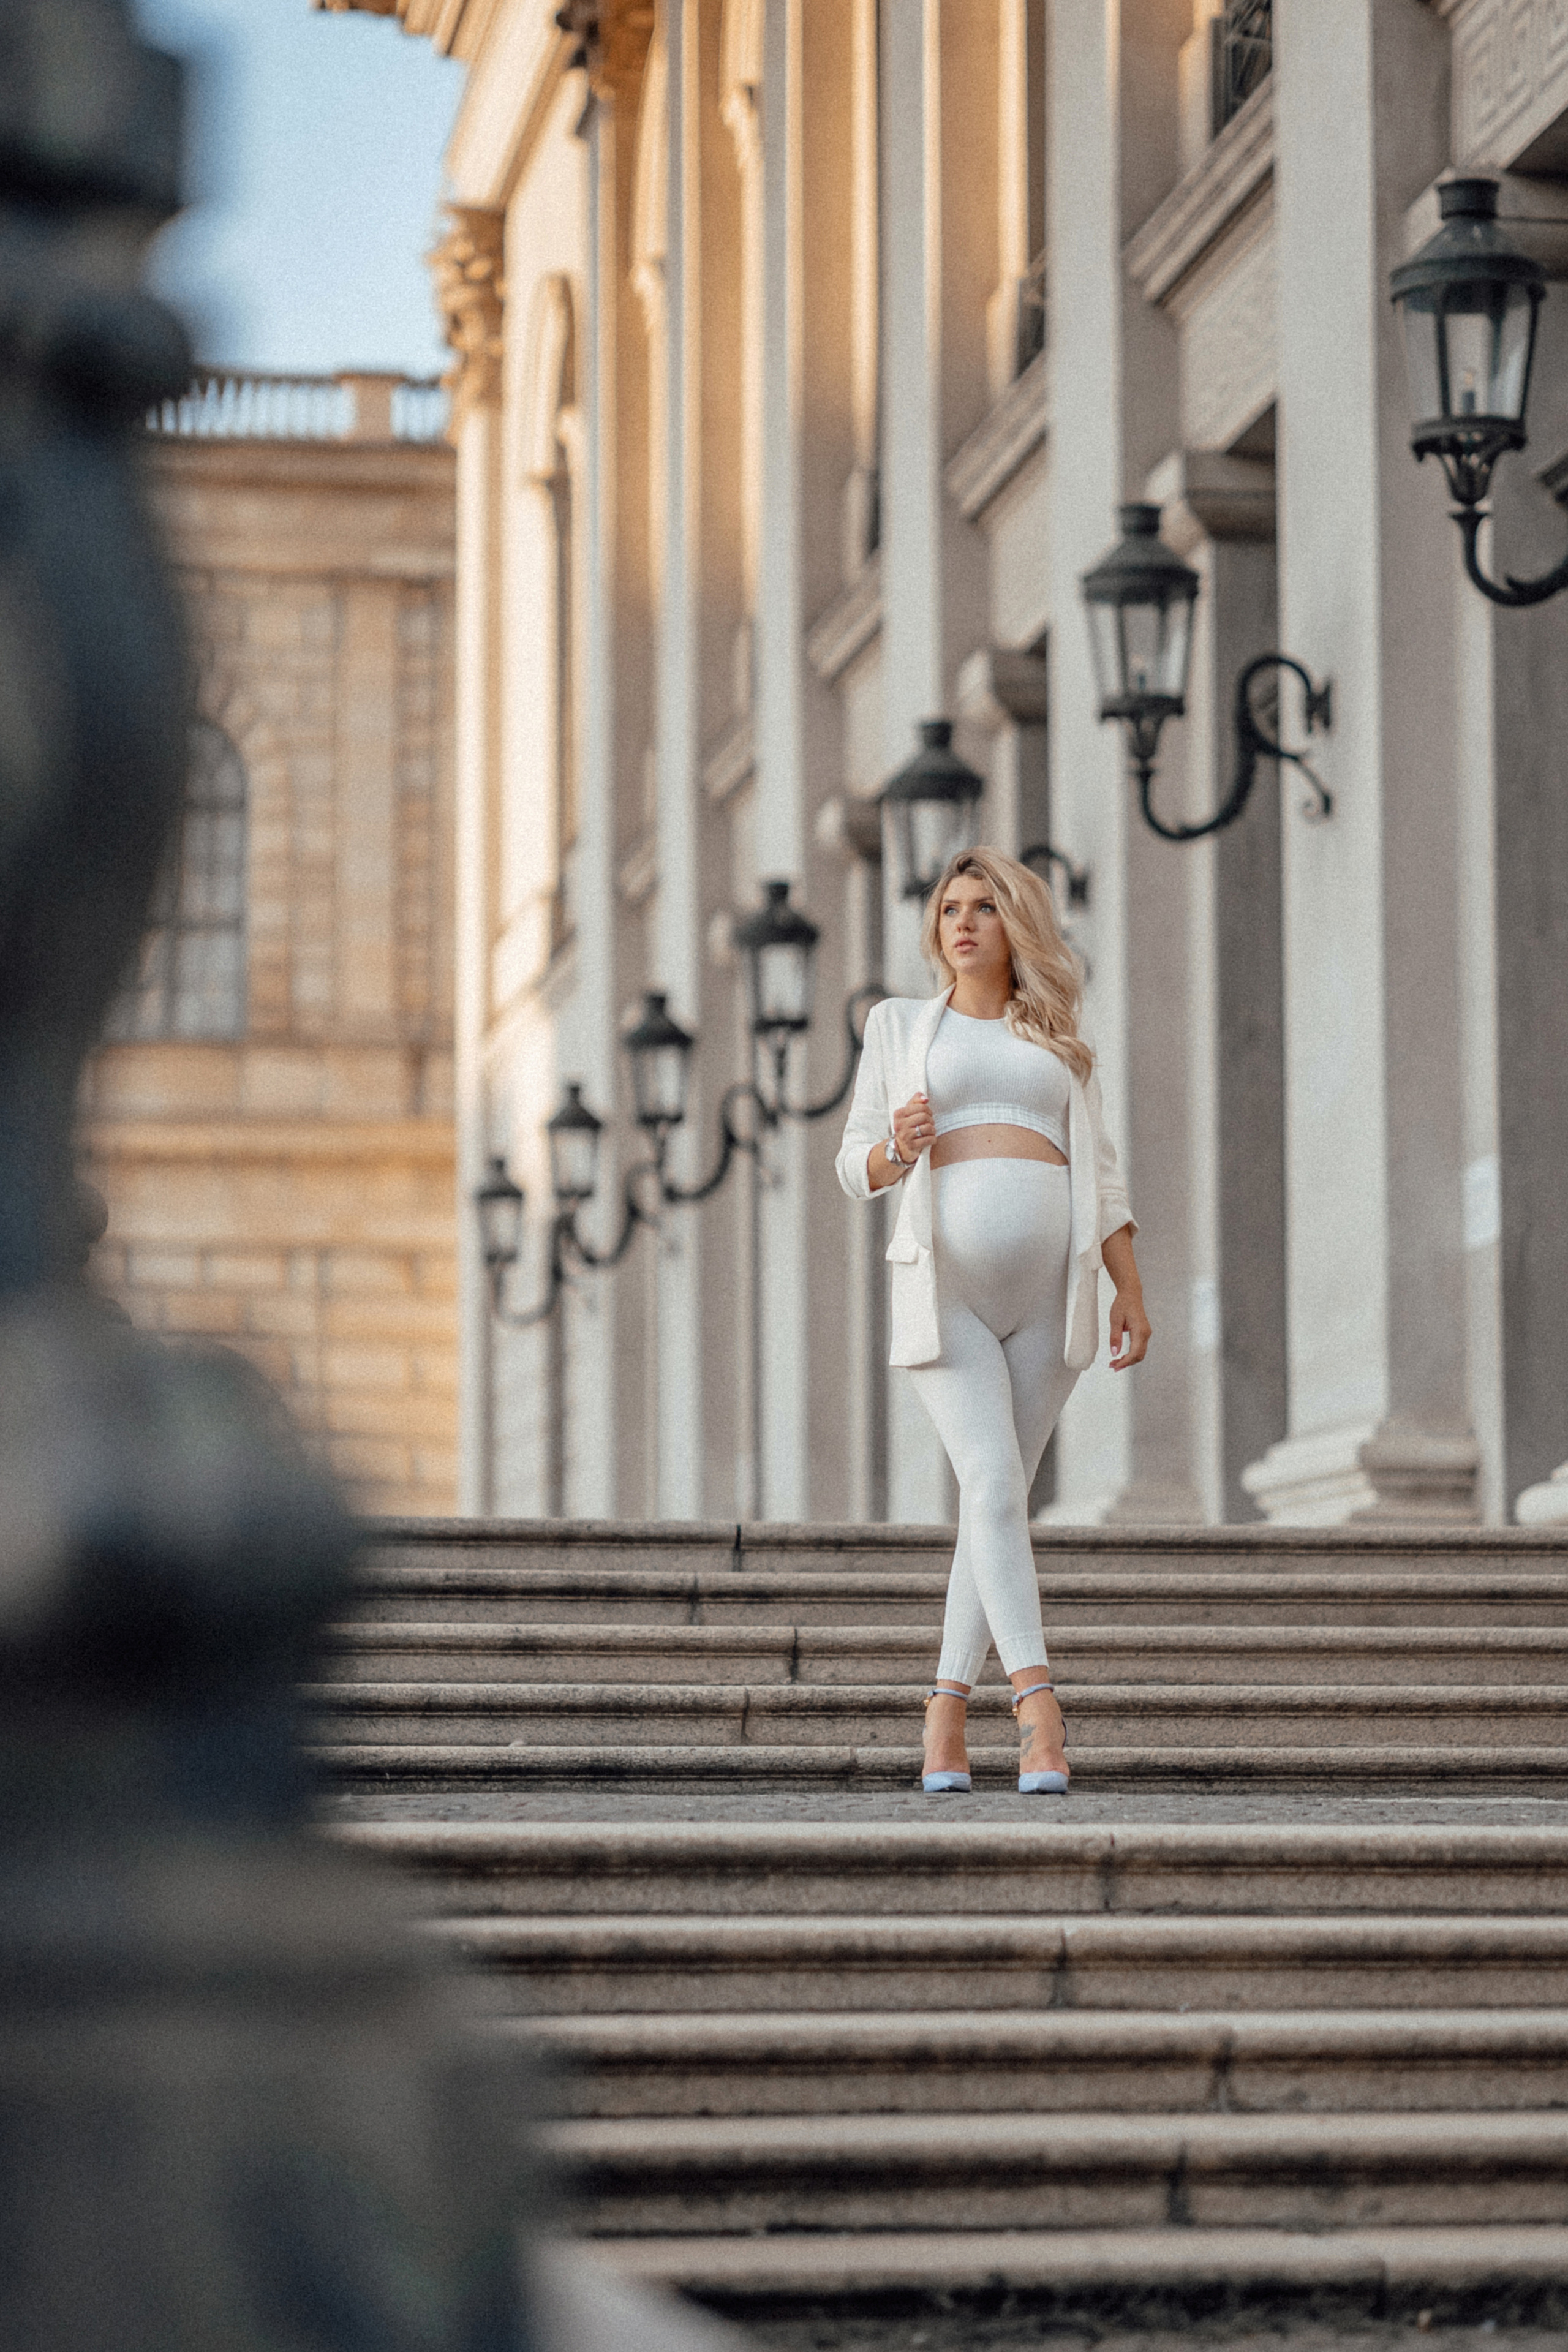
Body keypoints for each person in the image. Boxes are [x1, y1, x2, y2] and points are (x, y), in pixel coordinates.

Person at [835, 847, 1150, 1795]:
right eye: (948, 910)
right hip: (949, 1291)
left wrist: (1129, 1284)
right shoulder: (899, 1027)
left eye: (983, 907)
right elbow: (852, 1166)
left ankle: (942, 1720)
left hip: (1053, 1292)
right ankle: (1038, 1711)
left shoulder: (1057, 1036)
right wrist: (897, 1146)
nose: (961, 923)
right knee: (990, 1476)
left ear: (1017, 925)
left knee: (997, 1496)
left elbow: (1101, 1173)